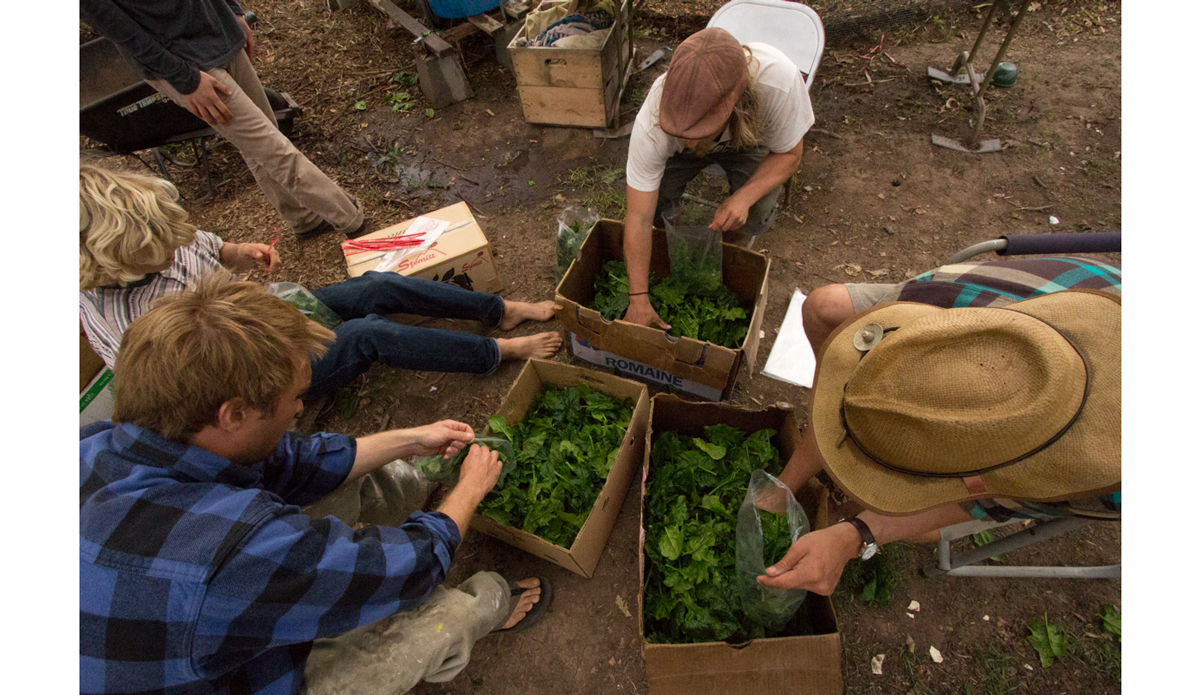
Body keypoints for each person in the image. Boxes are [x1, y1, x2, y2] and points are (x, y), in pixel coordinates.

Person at [80, 273, 552, 695]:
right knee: (442, 621)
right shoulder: (231, 553)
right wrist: (469, 489)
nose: (301, 410)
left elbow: (292, 462)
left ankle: (418, 506)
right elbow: (413, 570)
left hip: (191, 624)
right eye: (295, 400)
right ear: (234, 414)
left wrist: (411, 439)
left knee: (349, 482)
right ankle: (489, 605)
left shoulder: (105, 443)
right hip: (239, 679)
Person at [758, 256, 1122, 595]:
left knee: (925, 528)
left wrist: (856, 535)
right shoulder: (966, 300)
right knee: (826, 306)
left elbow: (985, 503)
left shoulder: (1096, 480)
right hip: (1057, 306)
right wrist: (784, 487)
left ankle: (857, 509)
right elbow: (846, 390)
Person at [78, 164, 562, 400]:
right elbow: (218, 392)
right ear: (118, 258)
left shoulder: (159, 240)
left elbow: (210, 247)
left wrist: (240, 254)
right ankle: (498, 354)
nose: (176, 247)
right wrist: (291, 340)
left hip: (262, 316)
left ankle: (500, 311)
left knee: (377, 285)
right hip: (255, 375)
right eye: (162, 247)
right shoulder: (137, 322)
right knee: (365, 332)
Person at [80, 0, 366, 240]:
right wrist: (186, 80)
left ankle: (304, 220)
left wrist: (233, 12)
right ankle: (354, 222)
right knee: (274, 149)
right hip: (187, 65)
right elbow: (127, 35)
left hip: (219, 32)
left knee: (265, 138)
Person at [623, 27, 814, 329]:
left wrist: (744, 196)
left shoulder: (779, 83)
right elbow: (637, 216)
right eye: (678, 133)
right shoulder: (653, 123)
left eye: (697, 134)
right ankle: (669, 250)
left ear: (734, 106)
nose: (687, 144)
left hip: (750, 137)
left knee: (758, 211)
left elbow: (790, 154)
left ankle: (728, 249)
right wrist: (638, 299)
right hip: (699, 136)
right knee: (656, 203)